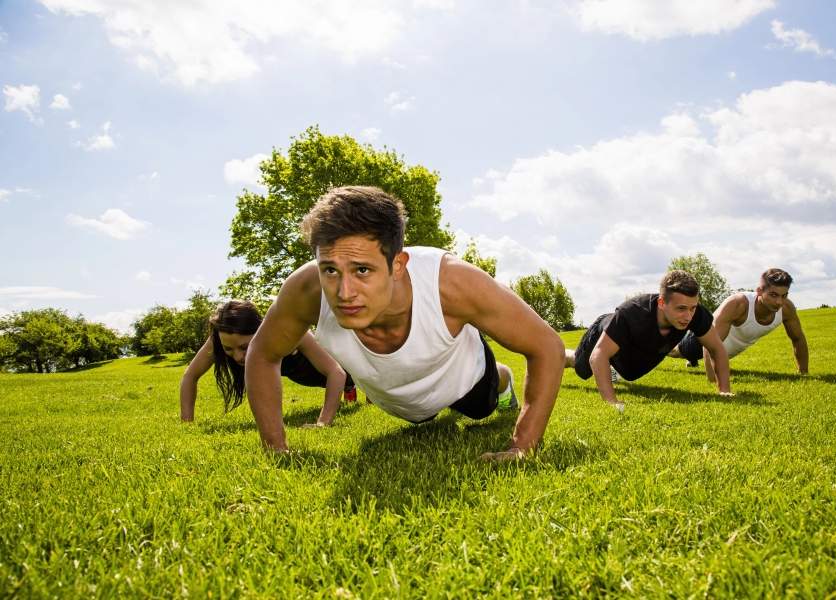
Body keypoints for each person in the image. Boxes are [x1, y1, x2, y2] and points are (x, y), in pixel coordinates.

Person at [245, 186, 565, 462]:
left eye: (362, 271)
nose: (344, 293)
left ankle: (501, 378)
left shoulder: (452, 282)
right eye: (329, 269)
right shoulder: (305, 292)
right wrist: (276, 449)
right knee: (422, 418)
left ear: (397, 265)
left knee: (481, 406)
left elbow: (547, 346)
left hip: (464, 378)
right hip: (403, 403)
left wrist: (522, 446)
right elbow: (262, 354)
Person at [565, 270, 732, 411]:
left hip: (631, 359)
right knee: (581, 367)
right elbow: (598, 355)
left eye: (692, 308)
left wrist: (724, 390)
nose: (688, 316)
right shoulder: (631, 314)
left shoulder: (695, 315)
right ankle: (564, 355)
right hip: (605, 335)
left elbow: (717, 348)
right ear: (661, 302)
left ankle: (610, 370)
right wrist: (612, 402)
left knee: (630, 373)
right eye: (681, 309)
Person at [179, 300, 355, 427]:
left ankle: (353, 390)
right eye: (229, 350)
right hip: (300, 375)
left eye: (244, 347)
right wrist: (187, 423)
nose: (238, 356)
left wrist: (322, 423)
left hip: (339, 368)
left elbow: (336, 372)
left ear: (259, 331)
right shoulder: (221, 337)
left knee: (356, 379)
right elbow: (190, 376)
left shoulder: (286, 331)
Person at [669, 268, 809, 379]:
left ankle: (692, 360)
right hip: (702, 341)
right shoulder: (738, 304)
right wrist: (713, 379)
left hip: (726, 351)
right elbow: (710, 345)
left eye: (784, 295)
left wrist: (803, 373)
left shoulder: (786, 309)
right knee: (673, 351)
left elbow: (798, 339)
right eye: (773, 295)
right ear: (759, 291)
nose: (779, 301)